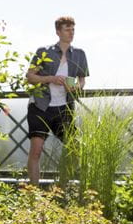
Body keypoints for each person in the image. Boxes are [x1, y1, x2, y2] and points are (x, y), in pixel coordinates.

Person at [25, 16, 89, 185]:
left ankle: (62, 187)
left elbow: (82, 81)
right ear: (58, 32)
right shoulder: (43, 52)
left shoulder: (80, 54)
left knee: (74, 148)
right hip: (40, 106)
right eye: (67, 30)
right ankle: (33, 193)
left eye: (73, 29)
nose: (71, 33)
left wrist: (75, 87)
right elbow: (30, 77)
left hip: (64, 108)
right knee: (36, 151)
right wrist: (51, 79)